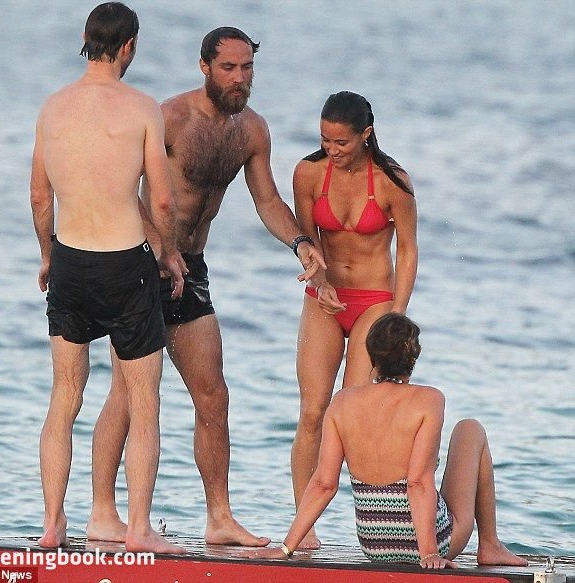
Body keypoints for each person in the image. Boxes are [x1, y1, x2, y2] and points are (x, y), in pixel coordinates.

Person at [86, 27, 326, 546]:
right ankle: (102, 512)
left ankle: (219, 518)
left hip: (191, 267)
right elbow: (123, 190)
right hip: (142, 264)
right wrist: (161, 249)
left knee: (213, 396)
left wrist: (301, 243)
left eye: (247, 68)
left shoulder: (252, 131)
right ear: (204, 67)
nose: (240, 78)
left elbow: (267, 200)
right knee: (127, 395)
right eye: (228, 68)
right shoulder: (170, 118)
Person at [30, 2, 187, 553]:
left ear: (86, 38)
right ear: (129, 47)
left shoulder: (53, 107)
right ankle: (138, 528)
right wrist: (169, 252)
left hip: (70, 260)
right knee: (144, 404)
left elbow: (39, 196)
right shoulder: (143, 108)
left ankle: (53, 524)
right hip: (125, 265)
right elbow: (161, 200)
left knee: (64, 396)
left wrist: (47, 255)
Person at [257, 313, 528, 569]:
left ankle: (483, 545)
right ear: (414, 355)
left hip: (374, 545)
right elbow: (418, 482)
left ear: (372, 355)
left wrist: (285, 548)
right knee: (470, 429)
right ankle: (490, 544)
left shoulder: (342, 402)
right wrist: (429, 553)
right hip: (431, 541)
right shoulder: (429, 400)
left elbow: (323, 484)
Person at [291, 91, 418, 548]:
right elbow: (307, 240)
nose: (332, 150)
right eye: (325, 140)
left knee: (351, 409)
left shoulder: (392, 181)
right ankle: (304, 528)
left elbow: (408, 250)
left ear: (366, 134)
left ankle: (382, 523)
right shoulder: (308, 173)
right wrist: (319, 280)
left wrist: (397, 315)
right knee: (312, 412)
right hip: (324, 295)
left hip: (375, 300)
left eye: (341, 142)